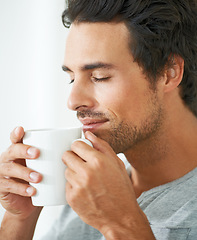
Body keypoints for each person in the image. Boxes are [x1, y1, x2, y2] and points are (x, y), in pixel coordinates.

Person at [0, 0, 197, 239]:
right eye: (72, 78)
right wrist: (20, 218)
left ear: (169, 72)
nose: (72, 101)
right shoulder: (92, 192)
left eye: (99, 77)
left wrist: (122, 225)